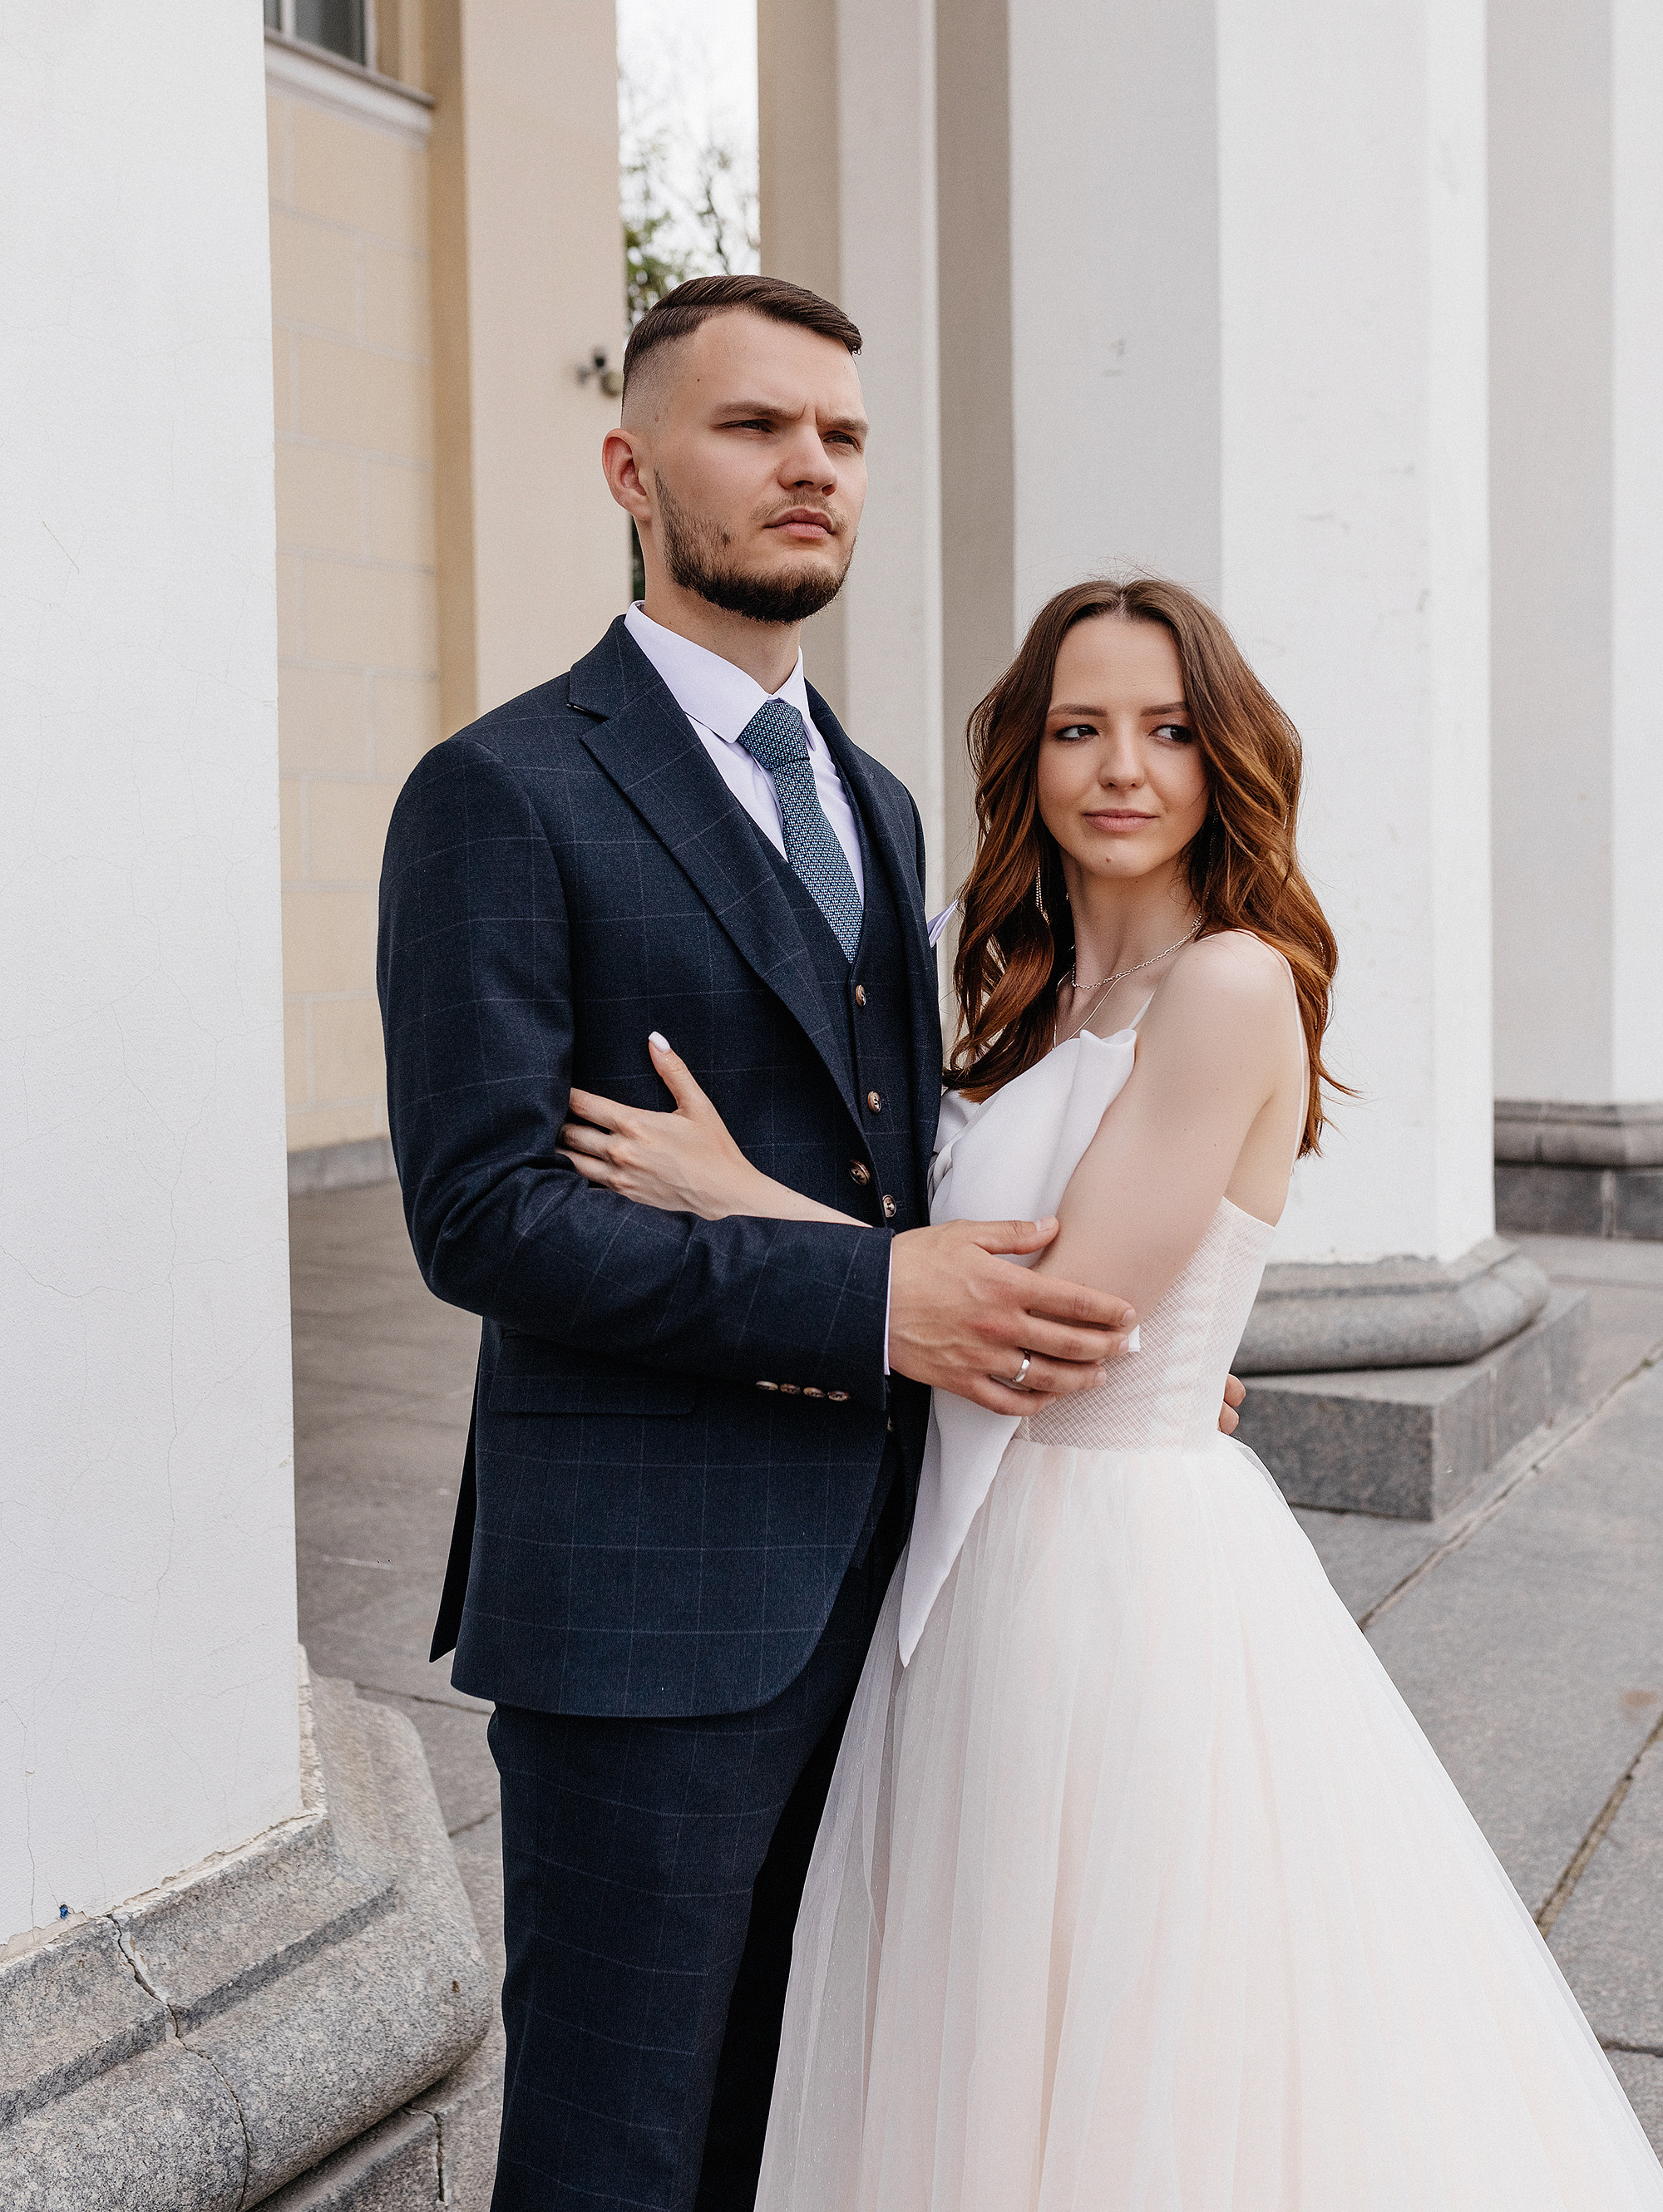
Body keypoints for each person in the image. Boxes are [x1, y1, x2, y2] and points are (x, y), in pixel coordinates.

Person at [563, 576, 1663, 2209]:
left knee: (1120, 2023)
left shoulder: (1231, 987)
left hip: (1116, 1578)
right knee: (980, 2011)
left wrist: (738, 1195)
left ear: (1226, 761)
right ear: (1030, 756)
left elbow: (1058, 1322)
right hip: (967, 1557)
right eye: (1079, 727)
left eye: (1166, 729)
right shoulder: (1008, 991)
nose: (1120, 767)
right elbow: (980, 1280)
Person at [378, 276, 1244, 2212]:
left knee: (803, 2126)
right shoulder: (502, 792)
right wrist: (875, 1299)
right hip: (647, 1603)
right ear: (630, 465)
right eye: (753, 428)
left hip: (904, 1590)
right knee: (616, 2150)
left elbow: (901, 1169)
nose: (808, 470)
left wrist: (1142, 1316)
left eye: (840, 438)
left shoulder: (869, 797)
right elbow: (481, 1217)